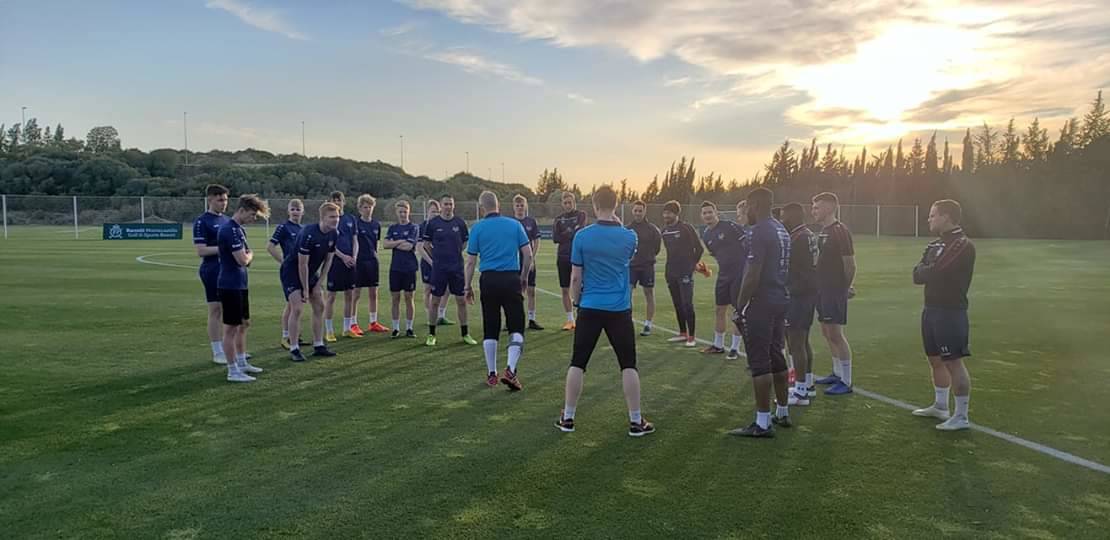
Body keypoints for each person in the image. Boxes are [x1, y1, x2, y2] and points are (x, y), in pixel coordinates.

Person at [555, 185, 655, 437]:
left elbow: (576, 278)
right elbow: (625, 253)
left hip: (589, 306)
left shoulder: (582, 236)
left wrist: (577, 302)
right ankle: (635, 421)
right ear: (617, 203)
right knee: (628, 365)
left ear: (593, 204)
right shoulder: (629, 236)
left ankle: (568, 418)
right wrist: (619, 224)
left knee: (578, 363)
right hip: (619, 309)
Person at [729, 188, 792, 437]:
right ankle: (783, 411)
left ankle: (762, 423)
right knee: (776, 354)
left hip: (761, 302)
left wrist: (740, 305)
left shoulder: (759, 231)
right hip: (779, 298)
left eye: (748, 206)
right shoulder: (780, 229)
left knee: (759, 361)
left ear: (755, 204)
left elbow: (752, 272)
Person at [912, 200, 976, 431]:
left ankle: (961, 415)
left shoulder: (962, 244)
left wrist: (929, 271)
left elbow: (939, 270)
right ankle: (940, 406)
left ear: (946, 217)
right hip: (931, 308)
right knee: (935, 359)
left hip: (950, 311)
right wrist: (928, 271)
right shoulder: (934, 245)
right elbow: (917, 274)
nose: (929, 219)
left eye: (932, 215)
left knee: (953, 362)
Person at [464, 191, 534, 389]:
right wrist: (524, 277)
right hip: (511, 278)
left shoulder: (477, 228)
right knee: (516, 326)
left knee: (491, 327)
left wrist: (467, 286)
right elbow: (528, 255)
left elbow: (470, 262)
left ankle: (492, 373)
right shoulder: (514, 225)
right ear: (498, 205)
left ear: (481, 207)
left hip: (488, 280)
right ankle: (511, 370)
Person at [216, 194, 270, 382]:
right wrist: (250, 255)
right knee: (230, 328)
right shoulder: (229, 230)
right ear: (242, 210)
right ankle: (232, 370)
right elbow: (243, 259)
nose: (253, 219)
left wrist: (248, 257)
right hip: (230, 285)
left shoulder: (238, 230)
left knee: (244, 323)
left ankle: (241, 360)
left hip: (240, 283)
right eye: (253, 214)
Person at [280, 202, 341, 362]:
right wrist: (306, 290)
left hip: (312, 272)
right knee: (298, 308)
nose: (335, 220)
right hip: (292, 271)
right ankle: (294, 348)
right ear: (322, 218)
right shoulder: (308, 233)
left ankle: (319, 345)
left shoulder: (334, 234)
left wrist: (319, 282)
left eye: (337, 217)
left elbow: (328, 260)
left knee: (320, 305)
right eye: (332, 217)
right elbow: (302, 264)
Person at [811, 192, 857, 396]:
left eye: (817, 207)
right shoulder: (823, 231)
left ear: (829, 208)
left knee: (836, 334)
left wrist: (845, 287)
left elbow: (850, 263)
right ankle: (837, 373)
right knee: (826, 332)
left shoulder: (840, 231)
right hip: (821, 289)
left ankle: (846, 381)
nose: (813, 211)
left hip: (833, 289)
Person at [421, 194, 478, 346]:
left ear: (454, 206)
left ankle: (465, 334)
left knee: (461, 300)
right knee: (435, 301)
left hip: (457, 268)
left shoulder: (459, 223)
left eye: (450, 204)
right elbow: (426, 244)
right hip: (439, 268)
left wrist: (456, 251)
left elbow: (465, 242)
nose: (448, 207)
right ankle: (431, 334)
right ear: (441, 206)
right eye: (445, 204)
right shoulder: (433, 223)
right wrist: (437, 257)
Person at [699, 201, 748, 359]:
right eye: (704, 213)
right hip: (723, 275)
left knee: (737, 311)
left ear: (716, 213)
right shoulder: (706, 234)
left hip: (739, 274)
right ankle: (718, 345)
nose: (707, 215)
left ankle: (735, 348)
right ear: (702, 216)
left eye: (710, 212)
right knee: (719, 309)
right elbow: (715, 254)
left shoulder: (730, 226)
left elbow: (747, 243)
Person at [781, 203, 819, 405]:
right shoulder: (807, 234)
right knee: (803, 341)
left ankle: (801, 391)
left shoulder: (797, 238)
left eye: (784, 216)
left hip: (798, 294)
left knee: (796, 343)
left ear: (793, 216)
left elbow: (791, 268)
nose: (782, 220)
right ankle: (808, 384)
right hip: (806, 293)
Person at [193, 184, 230, 364]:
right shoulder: (202, 221)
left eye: (225, 200)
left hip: (228, 271)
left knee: (229, 310)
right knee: (215, 310)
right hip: (212, 270)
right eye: (220, 200)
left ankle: (230, 347)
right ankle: (217, 351)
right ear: (210, 200)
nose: (223, 203)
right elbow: (201, 250)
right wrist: (224, 249)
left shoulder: (227, 220)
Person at [660, 200, 703, 348]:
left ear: (676, 214)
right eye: (664, 212)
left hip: (685, 272)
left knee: (687, 304)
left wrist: (691, 265)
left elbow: (699, 249)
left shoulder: (686, 228)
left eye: (669, 213)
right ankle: (682, 333)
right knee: (677, 303)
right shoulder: (664, 231)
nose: (666, 215)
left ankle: (691, 337)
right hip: (670, 272)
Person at [267, 199, 305, 350]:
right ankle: (285, 336)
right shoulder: (283, 227)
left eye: (298, 209)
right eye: (293, 209)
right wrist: (283, 261)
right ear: (288, 211)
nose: (295, 212)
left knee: (295, 305)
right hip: (289, 271)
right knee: (293, 305)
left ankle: (294, 335)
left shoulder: (303, 229)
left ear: (303, 211)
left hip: (301, 270)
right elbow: (270, 246)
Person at [324, 191, 359, 342]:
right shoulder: (329, 220)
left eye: (340, 200)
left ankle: (346, 329)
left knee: (349, 295)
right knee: (331, 296)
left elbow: (355, 240)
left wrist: (354, 257)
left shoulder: (351, 219)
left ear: (344, 202)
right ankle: (329, 330)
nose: (337, 203)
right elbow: (329, 244)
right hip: (335, 262)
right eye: (334, 200)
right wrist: (343, 256)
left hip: (350, 262)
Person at [352, 194, 389, 334]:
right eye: (365, 207)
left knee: (374, 293)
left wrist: (375, 255)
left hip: (372, 261)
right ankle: (353, 323)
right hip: (359, 261)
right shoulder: (356, 223)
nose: (368, 209)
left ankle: (373, 322)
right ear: (360, 209)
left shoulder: (376, 225)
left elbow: (376, 243)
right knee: (356, 293)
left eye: (370, 207)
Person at [384, 200, 420, 338]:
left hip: (409, 268)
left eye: (405, 211)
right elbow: (385, 245)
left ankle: (409, 328)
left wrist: (395, 242)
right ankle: (395, 328)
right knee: (395, 298)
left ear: (409, 211)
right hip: (395, 268)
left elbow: (409, 247)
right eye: (400, 212)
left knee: (409, 297)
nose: (403, 214)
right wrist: (399, 241)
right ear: (396, 213)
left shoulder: (414, 227)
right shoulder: (392, 228)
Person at [553, 191, 588, 331]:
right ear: (562, 204)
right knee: (564, 289)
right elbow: (556, 237)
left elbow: (579, 232)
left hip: (578, 257)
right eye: (565, 203)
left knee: (580, 287)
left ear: (574, 203)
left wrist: (566, 233)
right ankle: (570, 320)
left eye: (570, 202)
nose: (568, 205)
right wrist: (570, 232)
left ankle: (582, 317)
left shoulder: (581, 215)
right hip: (562, 257)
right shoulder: (558, 219)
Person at [626, 200, 661, 337]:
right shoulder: (627, 229)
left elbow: (657, 248)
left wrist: (647, 257)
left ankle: (648, 324)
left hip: (647, 266)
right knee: (627, 294)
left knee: (649, 294)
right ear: (632, 211)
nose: (638, 213)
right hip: (631, 267)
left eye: (640, 210)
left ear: (645, 211)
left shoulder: (652, 229)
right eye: (636, 210)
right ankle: (627, 322)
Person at [512, 194, 544, 330]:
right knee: (513, 292)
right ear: (514, 207)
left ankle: (531, 319)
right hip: (513, 263)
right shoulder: (511, 223)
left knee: (531, 291)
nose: (520, 208)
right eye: (517, 205)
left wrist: (532, 258)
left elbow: (536, 241)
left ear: (526, 206)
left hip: (528, 262)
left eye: (522, 205)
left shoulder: (531, 222)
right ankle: (512, 320)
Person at [418, 200, 445, 324]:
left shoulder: (441, 225)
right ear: (427, 212)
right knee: (428, 289)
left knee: (445, 288)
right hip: (428, 263)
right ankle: (430, 316)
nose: (435, 214)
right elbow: (420, 247)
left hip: (441, 262)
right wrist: (431, 262)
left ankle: (441, 314)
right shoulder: (423, 226)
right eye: (433, 211)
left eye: (437, 212)